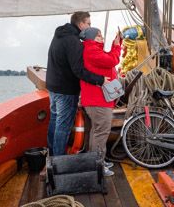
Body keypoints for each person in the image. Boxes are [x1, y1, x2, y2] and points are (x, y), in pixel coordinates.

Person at [46, 11, 106, 156]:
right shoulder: (73, 41)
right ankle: (58, 160)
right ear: (81, 24)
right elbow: (78, 70)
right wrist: (100, 79)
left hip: (53, 87)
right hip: (66, 90)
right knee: (63, 126)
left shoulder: (59, 35)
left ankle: (51, 155)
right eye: (89, 24)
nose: (90, 27)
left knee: (55, 121)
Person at [79, 27, 122, 176]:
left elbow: (109, 58)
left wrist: (115, 43)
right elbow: (111, 60)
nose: (101, 37)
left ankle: (96, 161)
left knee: (96, 131)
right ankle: (97, 166)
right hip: (98, 101)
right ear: (90, 38)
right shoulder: (91, 51)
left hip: (98, 100)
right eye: (98, 36)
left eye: (101, 35)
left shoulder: (95, 50)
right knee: (101, 132)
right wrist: (117, 47)